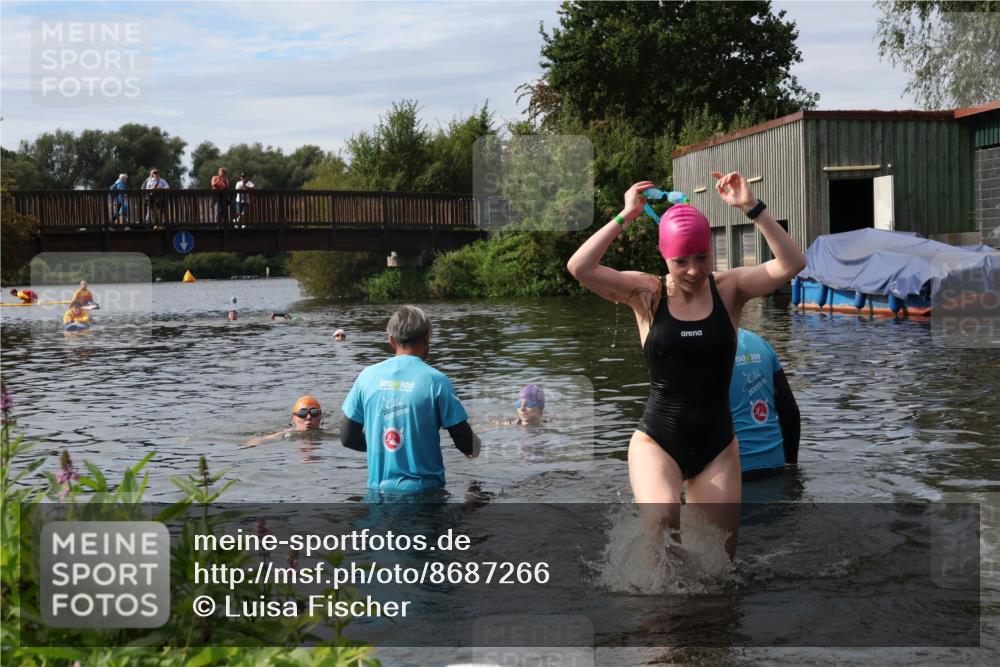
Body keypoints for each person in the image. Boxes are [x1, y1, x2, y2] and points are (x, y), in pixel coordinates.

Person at [566, 171, 805, 558]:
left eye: (702, 257)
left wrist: (751, 207)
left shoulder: (729, 290)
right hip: (659, 440)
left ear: (712, 251)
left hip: (718, 446)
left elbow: (792, 263)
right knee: (662, 521)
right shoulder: (647, 293)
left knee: (719, 560)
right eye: (681, 261)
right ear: (665, 256)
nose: (694, 269)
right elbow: (580, 267)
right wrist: (625, 216)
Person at [340, 305, 481, 492]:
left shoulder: (366, 377)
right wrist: (477, 446)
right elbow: (465, 443)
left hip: (378, 495)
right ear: (427, 338)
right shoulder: (436, 381)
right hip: (426, 495)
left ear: (391, 340)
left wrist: (386, 448)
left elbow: (348, 438)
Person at [729, 329, 800, 481]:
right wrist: (791, 465)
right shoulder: (760, 343)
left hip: (730, 472)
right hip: (775, 464)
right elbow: (790, 412)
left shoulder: (700, 351)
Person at [247, 395, 324, 446]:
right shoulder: (286, 434)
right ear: (294, 418)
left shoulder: (330, 432)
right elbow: (259, 441)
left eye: (314, 412)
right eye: (302, 413)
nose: (309, 417)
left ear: (321, 416)